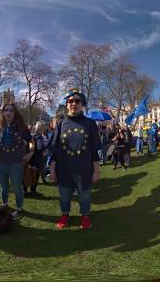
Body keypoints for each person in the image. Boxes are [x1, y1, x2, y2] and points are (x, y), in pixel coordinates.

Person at [49, 89, 101, 230]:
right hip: (64, 169)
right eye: (70, 101)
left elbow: (94, 150)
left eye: (77, 101)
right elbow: (54, 149)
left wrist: (96, 171)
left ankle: (85, 216)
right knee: (65, 196)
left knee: (84, 197)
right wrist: (52, 170)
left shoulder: (89, 124)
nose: (73, 103)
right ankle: (65, 215)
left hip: (84, 169)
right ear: (67, 105)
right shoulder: (61, 124)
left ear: (82, 104)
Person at [0, 103, 33, 220]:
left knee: (17, 188)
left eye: (11, 110)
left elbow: (31, 141)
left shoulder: (21, 128)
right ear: (3, 113)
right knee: (3, 187)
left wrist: (30, 153)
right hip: (1, 162)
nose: (8, 112)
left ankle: (19, 209)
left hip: (16, 163)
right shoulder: (0, 127)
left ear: (15, 113)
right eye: (6, 110)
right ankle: (5, 204)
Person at [26, 121, 47, 195]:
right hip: (36, 159)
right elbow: (40, 147)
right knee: (35, 175)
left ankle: (25, 191)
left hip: (29, 158)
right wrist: (45, 147)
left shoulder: (32, 135)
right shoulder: (38, 136)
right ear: (41, 129)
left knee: (27, 174)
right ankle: (33, 191)